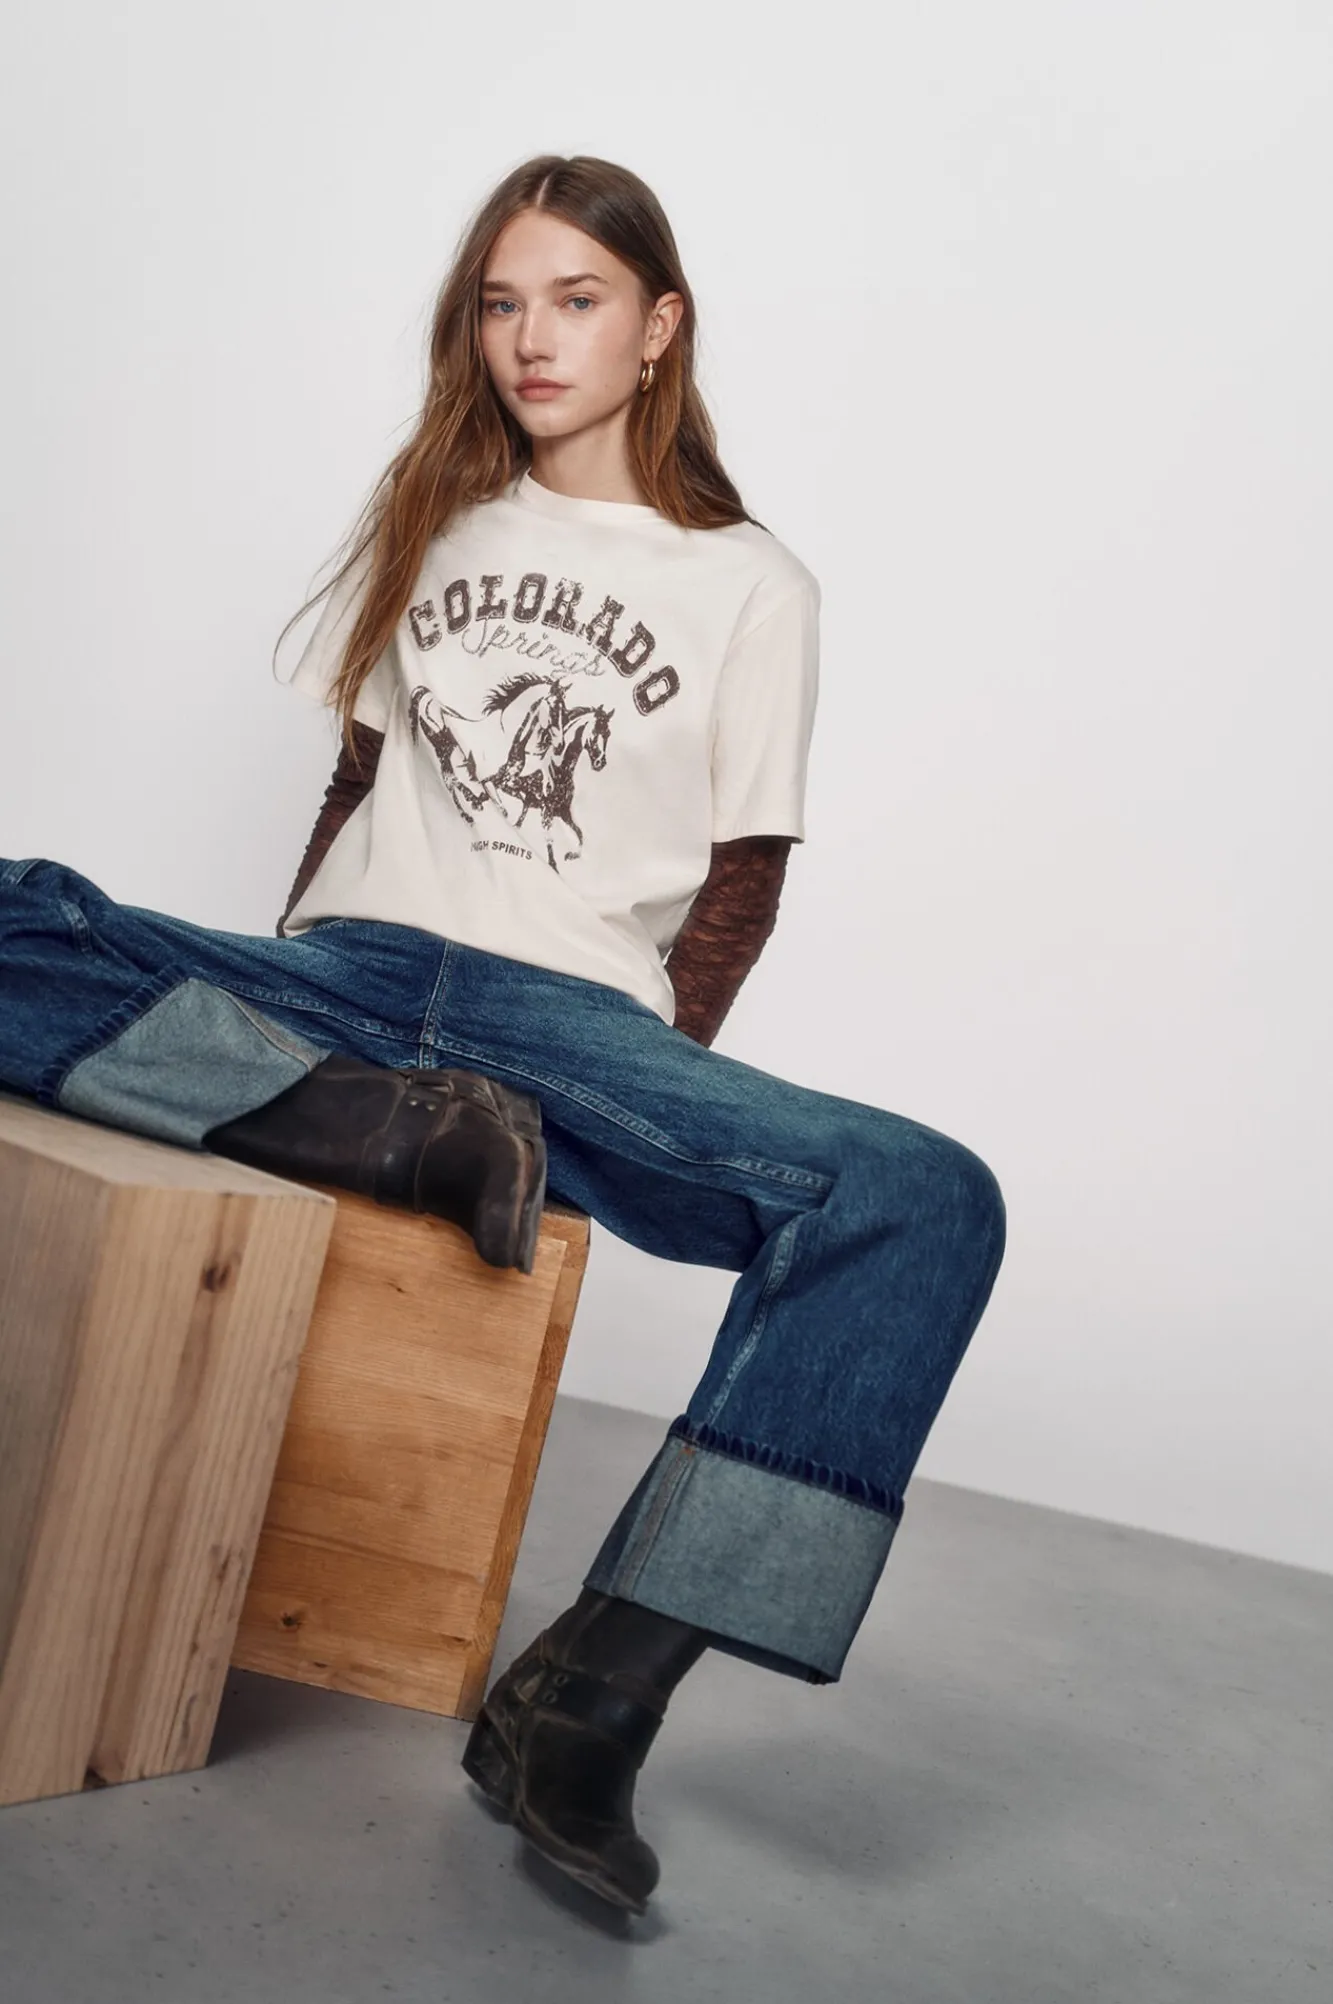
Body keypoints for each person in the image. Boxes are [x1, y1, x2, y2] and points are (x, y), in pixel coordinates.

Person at [0, 154, 1007, 1916]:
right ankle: (365, 1118)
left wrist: (656, 1079)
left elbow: (741, 887)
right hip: (351, 981)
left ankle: (592, 1700)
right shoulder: (437, 517)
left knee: (928, 1197)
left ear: (658, 325)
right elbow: (357, 786)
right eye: (501, 302)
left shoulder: (753, 584)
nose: (533, 338)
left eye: (577, 300)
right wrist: (272, 1009)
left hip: (569, 1023)